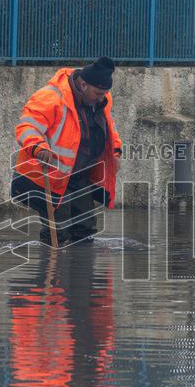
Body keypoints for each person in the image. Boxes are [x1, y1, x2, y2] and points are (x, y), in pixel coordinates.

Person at [11, 57, 123, 246]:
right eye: (98, 93)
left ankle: (79, 271)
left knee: (85, 229)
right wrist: (38, 147)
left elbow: (110, 128)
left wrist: (115, 152)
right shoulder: (52, 97)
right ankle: (51, 270)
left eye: (105, 93)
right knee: (58, 230)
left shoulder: (102, 99)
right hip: (46, 175)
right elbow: (27, 126)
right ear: (83, 84)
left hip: (78, 175)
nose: (102, 98)